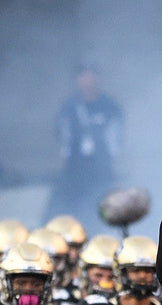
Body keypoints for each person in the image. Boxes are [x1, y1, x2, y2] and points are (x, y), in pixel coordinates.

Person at [47, 64, 122, 233]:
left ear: (98, 79)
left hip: (101, 170)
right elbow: (63, 138)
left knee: (101, 212)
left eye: (91, 76)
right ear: (77, 80)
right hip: (75, 171)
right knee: (70, 212)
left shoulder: (110, 107)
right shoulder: (69, 108)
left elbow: (115, 141)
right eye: (84, 77)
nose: (88, 82)